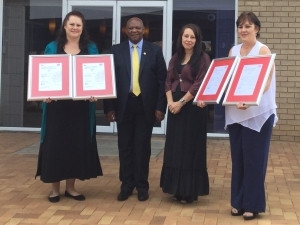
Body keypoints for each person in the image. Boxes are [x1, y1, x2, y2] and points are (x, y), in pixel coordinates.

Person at [35, 11, 103, 203]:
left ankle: (71, 188)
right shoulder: (52, 47)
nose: (75, 28)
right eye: (71, 24)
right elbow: (43, 75)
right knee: (56, 146)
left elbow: (97, 74)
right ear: (64, 26)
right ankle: (55, 189)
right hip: (57, 108)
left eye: (78, 25)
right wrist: (44, 95)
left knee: (75, 145)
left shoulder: (90, 48)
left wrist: (95, 91)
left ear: (83, 28)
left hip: (80, 109)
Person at [103, 17, 167, 201]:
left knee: (142, 147)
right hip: (123, 106)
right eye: (131, 28)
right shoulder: (116, 51)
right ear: (125, 30)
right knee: (125, 147)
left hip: (145, 107)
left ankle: (142, 185)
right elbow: (110, 80)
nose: (134, 30)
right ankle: (127, 184)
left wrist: (159, 107)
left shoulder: (154, 50)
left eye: (138, 27)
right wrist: (109, 108)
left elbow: (161, 81)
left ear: (143, 29)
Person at [225, 12, 278, 220]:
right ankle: (237, 202)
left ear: (257, 28)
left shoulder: (262, 49)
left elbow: (265, 81)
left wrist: (251, 99)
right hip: (236, 112)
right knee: (238, 160)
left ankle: (252, 205)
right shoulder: (234, 50)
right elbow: (228, 79)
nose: (243, 30)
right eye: (240, 26)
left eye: (248, 26)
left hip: (258, 113)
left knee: (254, 161)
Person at [160, 24, 211, 203]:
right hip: (175, 107)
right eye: (185, 36)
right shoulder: (175, 58)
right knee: (176, 148)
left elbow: (199, 84)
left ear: (197, 40)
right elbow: (167, 81)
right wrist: (170, 103)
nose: (188, 40)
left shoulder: (203, 58)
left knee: (190, 148)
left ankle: (189, 190)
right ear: (180, 38)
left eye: (192, 37)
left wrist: (181, 103)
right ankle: (176, 188)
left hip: (192, 108)